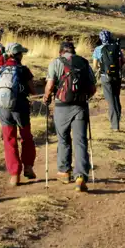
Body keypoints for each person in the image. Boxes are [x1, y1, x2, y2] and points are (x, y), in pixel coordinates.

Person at [42, 41, 96, 192]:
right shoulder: (84, 63)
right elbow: (93, 88)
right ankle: (81, 176)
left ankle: (64, 172)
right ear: (74, 51)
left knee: (63, 139)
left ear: (61, 52)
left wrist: (46, 97)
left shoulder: (55, 63)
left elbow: (50, 85)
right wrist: (84, 98)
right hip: (80, 107)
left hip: (62, 107)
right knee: (81, 141)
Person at [0, 43, 36, 186]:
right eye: (21, 53)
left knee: (9, 140)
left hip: (3, 109)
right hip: (20, 107)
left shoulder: (0, 70)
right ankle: (28, 167)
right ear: (18, 55)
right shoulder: (23, 70)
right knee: (26, 137)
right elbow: (33, 90)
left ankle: (14, 175)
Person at [92, 30, 125, 131]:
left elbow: (94, 66)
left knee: (111, 101)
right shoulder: (116, 47)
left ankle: (115, 126)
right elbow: (123, 61)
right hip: (117, 76)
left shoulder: (98, 49)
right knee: (116, 98)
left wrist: (101, 67)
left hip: (105, 76)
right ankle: (117, 119)